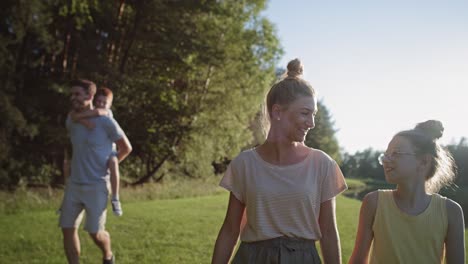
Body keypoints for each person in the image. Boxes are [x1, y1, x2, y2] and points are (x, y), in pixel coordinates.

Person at [211, 58, 348, 264]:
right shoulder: (245, 163)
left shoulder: (322, 164)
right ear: (277, 112)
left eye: (314, 115)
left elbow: (328, 232)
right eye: (305, 113)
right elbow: (230, 229)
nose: (311, 123)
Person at [349, 120, 465, 264]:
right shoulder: (374, 202)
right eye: (386, 154)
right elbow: (358, 260)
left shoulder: (451, 211)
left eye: (396, 153)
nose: (386, 160)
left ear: (423, 162)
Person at [59, 79, 132, 264]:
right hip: (74, 185)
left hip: (97, 185)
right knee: (67, 228)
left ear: (89, 96)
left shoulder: (106, 121)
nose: (72, 98)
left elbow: (126, 148)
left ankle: (108, 255)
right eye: (71, 94)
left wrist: (111, 165)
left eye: (77, 94)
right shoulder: (71, 120)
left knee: (95, 233)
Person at [68, 87, 123, 216]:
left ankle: (115, 197)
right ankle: (66, 203)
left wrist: (80, 119)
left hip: (110, 152)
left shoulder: (107, 113)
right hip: (93, 157)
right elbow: (72, 115)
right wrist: (83, 121)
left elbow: (97, 112)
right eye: (98, 101)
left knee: (114, 163)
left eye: (105, 103)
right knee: (70, 165)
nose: (101, 104)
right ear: (94, 100)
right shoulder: (87, 112)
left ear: (109, 105)